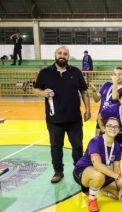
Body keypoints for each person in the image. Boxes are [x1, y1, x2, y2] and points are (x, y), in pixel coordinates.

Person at [33, 46, 91, 183]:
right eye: (60, 53)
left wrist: (88, 109)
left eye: (65, 54)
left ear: (68, 56)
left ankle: (79, 170)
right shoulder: (45, 72)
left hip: (74, 118)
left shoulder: (75, 72)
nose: (62, 56)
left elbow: (84, 92)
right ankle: (58, 172)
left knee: (77, 146)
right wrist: (43, 93)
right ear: (55, 55)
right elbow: (35, 89)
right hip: (54, 120)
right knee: (56, 147)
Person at [73, 117, 122, 212]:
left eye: (115, 126)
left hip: (103, 173)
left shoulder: (117, 146)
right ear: (104, 128)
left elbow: (117, 168)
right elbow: (97, 165)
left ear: (119, 130)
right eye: (109, 126)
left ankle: (98, 189)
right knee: (99, 176)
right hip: (83, 171)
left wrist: (121, 187)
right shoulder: (96, 141)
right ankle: (92, 199)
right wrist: (119, 177)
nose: (112, 128)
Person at [90, 66, 122, 136]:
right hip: (101, 117)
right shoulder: (106, 84)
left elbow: (114, 97)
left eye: (119, 74)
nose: (116, 76)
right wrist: (94, 91)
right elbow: (96, 99)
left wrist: (115, 83)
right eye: (114, 74)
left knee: (110, 141)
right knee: (99, 140)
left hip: (113, 120)